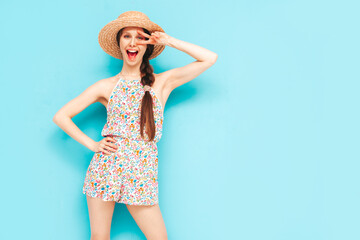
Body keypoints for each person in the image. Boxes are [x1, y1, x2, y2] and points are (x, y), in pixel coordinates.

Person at [53, 10, 217, 240]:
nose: (132, 43)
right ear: (119, 43)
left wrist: (168, 40)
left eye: (140, 37)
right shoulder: (106, 86)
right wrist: (93, 145)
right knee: (99, 237)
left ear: (147, 45)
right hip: (106, 168)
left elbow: (209, 58)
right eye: (126, 36)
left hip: (141, 171)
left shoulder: (161, 83)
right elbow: (61, 116)